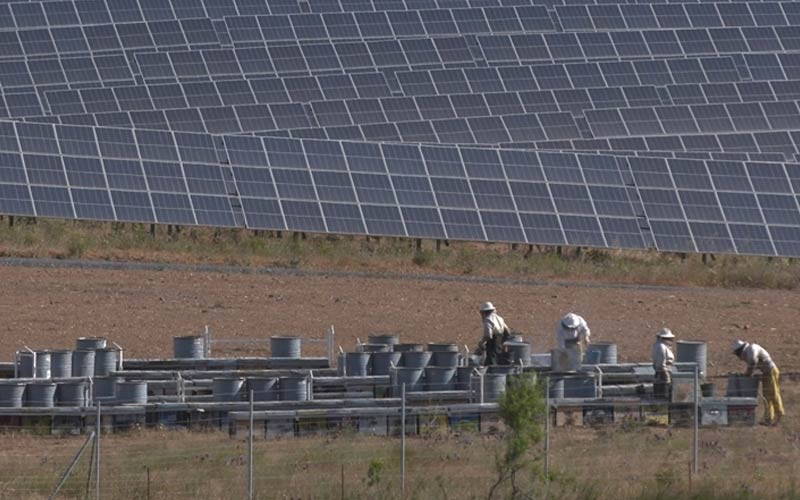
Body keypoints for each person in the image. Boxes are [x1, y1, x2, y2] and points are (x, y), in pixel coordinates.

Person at [732, 340, 784, 425]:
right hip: (766, 373)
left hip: (771, 372)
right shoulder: (749, 351)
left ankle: (779, 414)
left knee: (773, 394)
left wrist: (747, 374)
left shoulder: (751, 349)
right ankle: (768, 418)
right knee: (766, 396)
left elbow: (753, 363)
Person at [651, 328, 675, 400]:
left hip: (662, 372)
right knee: (664, 395)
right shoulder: (661, 347)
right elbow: (661, 363)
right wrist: (666, 374)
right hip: (663, 373)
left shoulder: (659, 345)